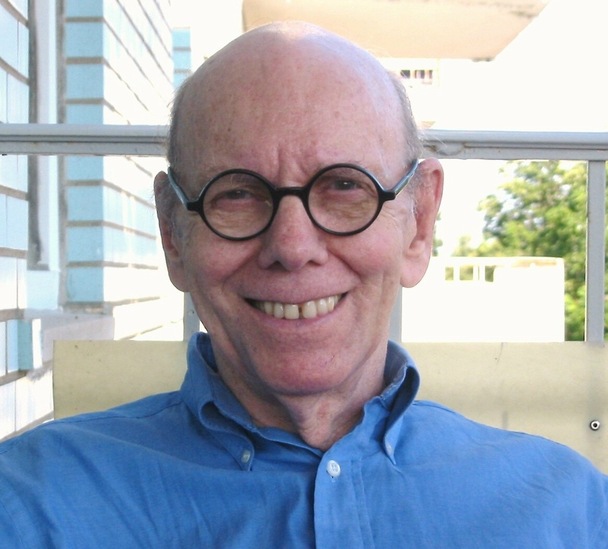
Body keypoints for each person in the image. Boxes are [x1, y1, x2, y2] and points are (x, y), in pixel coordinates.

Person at [0, 21, 606, 548]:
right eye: (237, 193)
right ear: (172, 233)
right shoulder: (30, 506)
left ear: (419, 223)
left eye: (344, 187)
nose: (292, 247)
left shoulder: (573, 513)